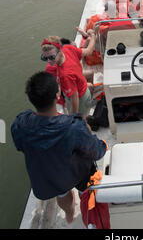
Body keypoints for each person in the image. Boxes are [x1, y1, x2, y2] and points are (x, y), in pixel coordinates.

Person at [11, 71, 107, 224]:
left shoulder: (20, 124)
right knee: (86, 189)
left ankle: (69, 212)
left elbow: (19, 145)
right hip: (76, 172)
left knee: (62, 193)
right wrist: (103, 145)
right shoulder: (74, 127)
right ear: (58, 95)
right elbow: (95, 151)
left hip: (50, 176)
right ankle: (83, 203)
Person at [40, 33, 96, 118]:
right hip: (84, 89)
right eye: (45, 58)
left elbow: (74, 97)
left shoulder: (65, 75)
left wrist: (73, 117)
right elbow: (88, 51)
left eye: (51, 57)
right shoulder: (68, 48)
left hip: (80, 99)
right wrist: (93, 36)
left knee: (81, 122)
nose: (48, 61)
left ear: (59, 51)